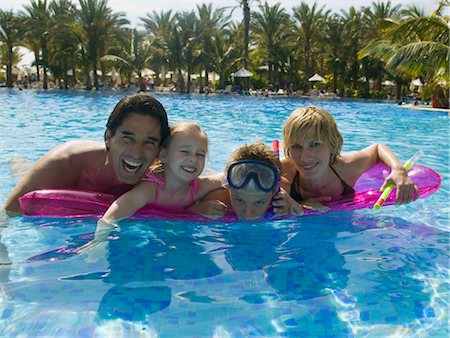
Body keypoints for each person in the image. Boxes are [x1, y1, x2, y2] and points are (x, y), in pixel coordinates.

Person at [3, 94, 170, 214]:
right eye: (127, 138)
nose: (137, 152)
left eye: (150, 142)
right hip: (52, 177)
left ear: (159, 151)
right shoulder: (65, 163)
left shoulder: (159, 177)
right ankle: (19, 164)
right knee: (22, 173)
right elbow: (8, 213)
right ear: (108, 138)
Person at [281, 106, 419, 210]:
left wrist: (398, 169)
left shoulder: (346, 169)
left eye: (315, 144)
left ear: (333, 145)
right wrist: (299, 205)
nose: (304, 157)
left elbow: (377, 148)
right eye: (296, 147)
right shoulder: (283, 172)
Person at [99, 122, 223, 224]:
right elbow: (113, 216)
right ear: (163, 155)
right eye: (185, 151)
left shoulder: (197, 187)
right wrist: (100, 241)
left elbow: (228, 176)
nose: (193, 159)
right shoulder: (151, 189)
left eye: (200, 154)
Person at [190, 141, 297, 221]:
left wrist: (293, 209)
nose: (248, 213)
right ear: (229, 188)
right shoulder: (215, 199)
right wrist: (194, 210)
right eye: (239, 200)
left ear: (274, 191)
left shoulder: (282, 195)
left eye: (259, 202)